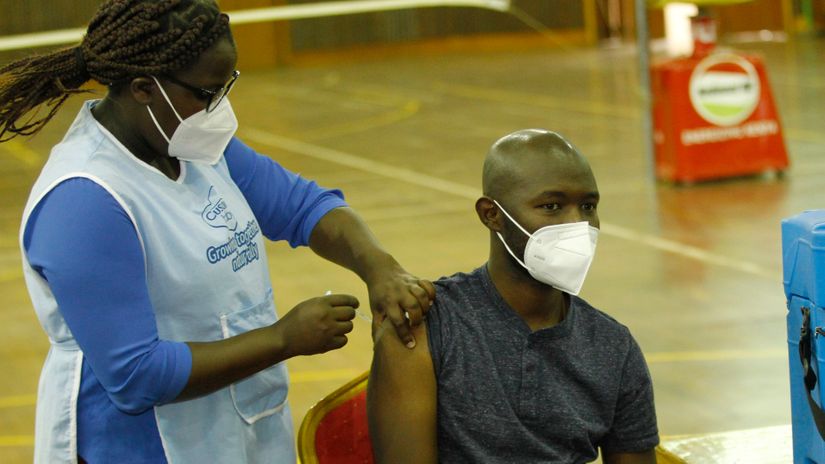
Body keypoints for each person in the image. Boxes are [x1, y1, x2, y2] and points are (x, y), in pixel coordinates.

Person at [1, 1, 434, 463]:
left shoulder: (189, 141)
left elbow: (303, 206)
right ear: (145, 88)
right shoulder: (85, 201)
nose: (218, 108)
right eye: (207, 92)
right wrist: (283, 339)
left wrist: (379, 267)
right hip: (143, 445)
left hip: (237, 424)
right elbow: (135, 376)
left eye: (226, 86)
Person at [368, 129, 659, 464]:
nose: (578, 224)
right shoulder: (425, 327)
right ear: (491, 215)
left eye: (588, 206)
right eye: (551, 206)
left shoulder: (613, 347)